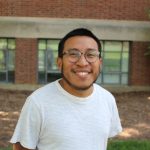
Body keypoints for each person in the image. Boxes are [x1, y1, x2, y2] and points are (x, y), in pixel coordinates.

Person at [10, 28, 122, 150]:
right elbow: (21, 147)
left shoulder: (107, 99)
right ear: (59, 63)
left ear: (100, 63)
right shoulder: (38, 102)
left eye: (91, 54)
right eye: (73, 54)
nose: (83, 63)